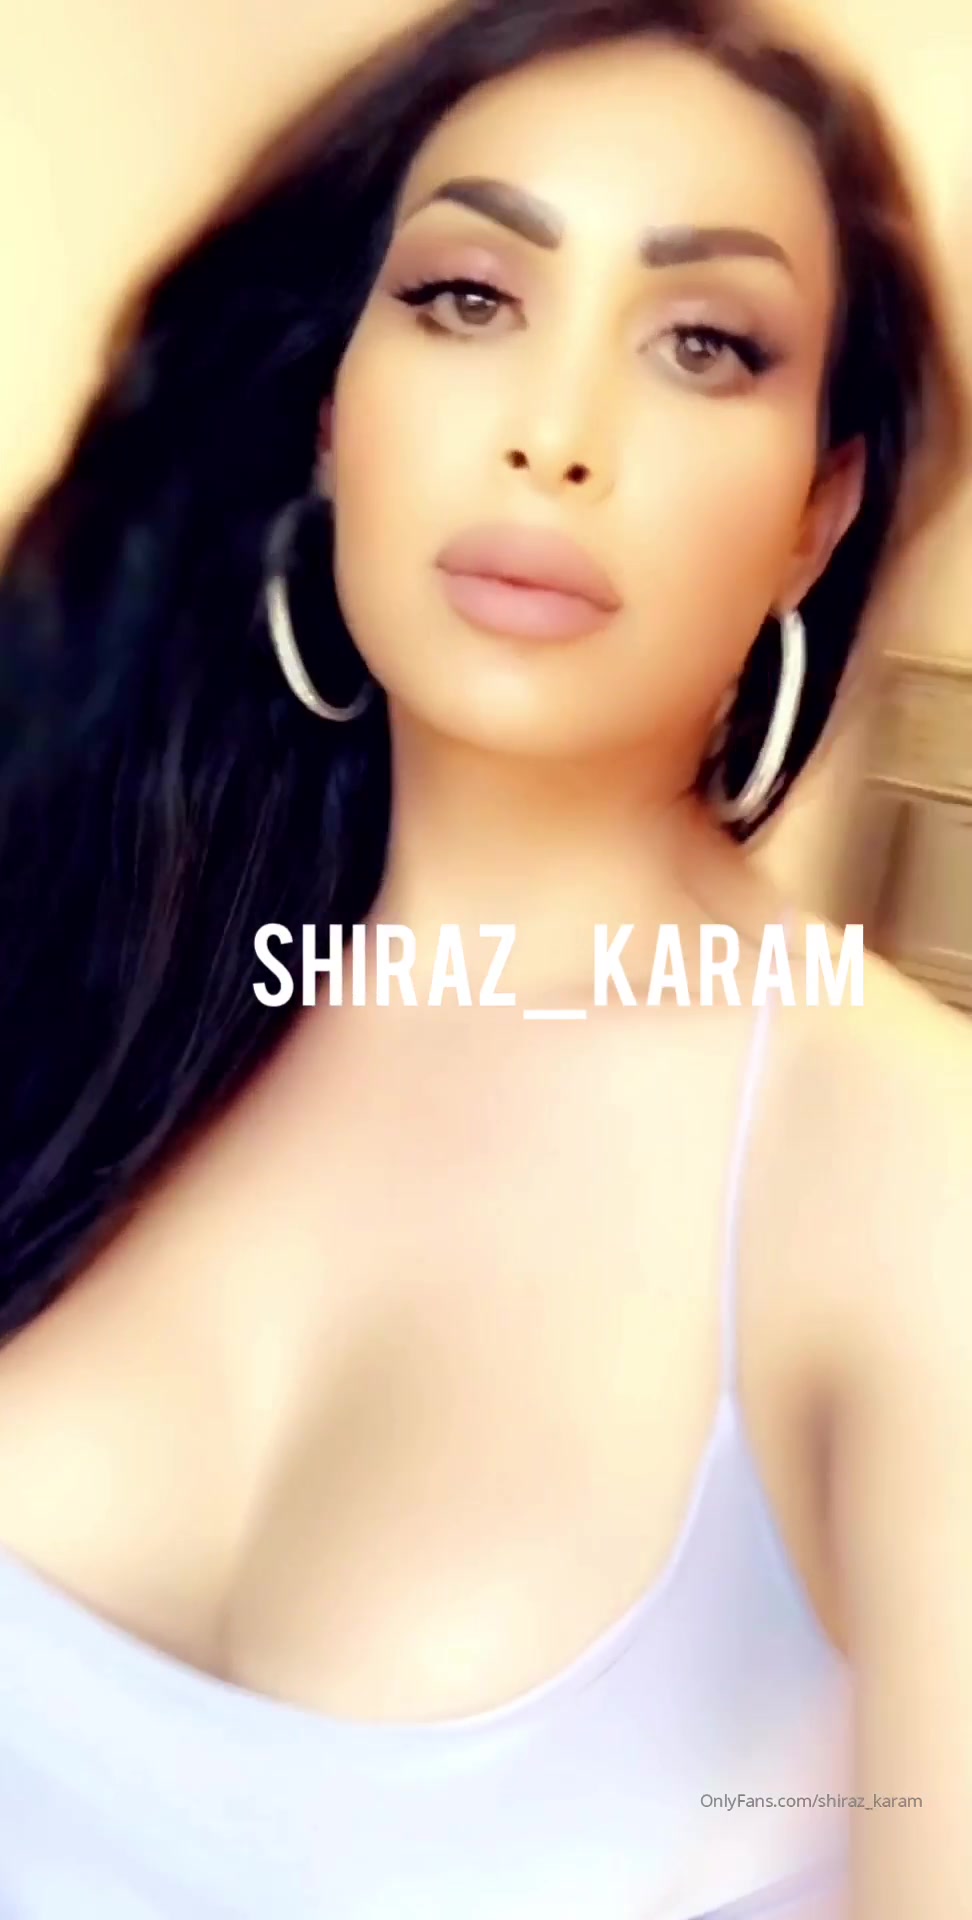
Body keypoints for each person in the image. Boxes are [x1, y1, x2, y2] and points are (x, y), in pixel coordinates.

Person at [0, 0, 969, 1914]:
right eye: (467, 298)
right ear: (331, 412)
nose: (557, 434)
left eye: (704, 344)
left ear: (819, 511)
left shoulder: (900, 1171)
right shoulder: (92, 952)